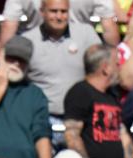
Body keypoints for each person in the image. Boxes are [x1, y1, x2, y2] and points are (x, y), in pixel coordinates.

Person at [63, 44, 133, 158]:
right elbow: (72, 136)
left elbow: (121, 133)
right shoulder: (79, 93)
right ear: (105, 68)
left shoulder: (112, 95)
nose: (119, 68)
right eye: (116, 63)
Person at [20, 0, 101, 144]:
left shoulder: (86, 34)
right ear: (42, 12)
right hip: (42, 120)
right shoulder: (27, 40)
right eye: (53, 11)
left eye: (63, 12)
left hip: (79, 120)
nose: (59, 16)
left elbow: (100, 70)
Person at [0, 0, 118, 47]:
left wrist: (3, 60)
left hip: (36, 48)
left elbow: (8, 26)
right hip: (80, 48)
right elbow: (109, 25)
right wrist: (113, 57)